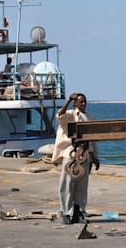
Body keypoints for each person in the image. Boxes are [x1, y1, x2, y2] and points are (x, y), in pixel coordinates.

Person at [52, 92, 100, 225]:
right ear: (75, 103)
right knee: (67, 184)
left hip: (85, 154)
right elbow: (59, 116)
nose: (83, 104)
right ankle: (66, 211)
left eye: (85, 101)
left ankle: (79, 211)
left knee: (82, 185)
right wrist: (68, 101)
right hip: (71, 153)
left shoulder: (88, 117)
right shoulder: (70, 114)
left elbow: (93, 139)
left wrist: (95, 157)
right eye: (80, 102)